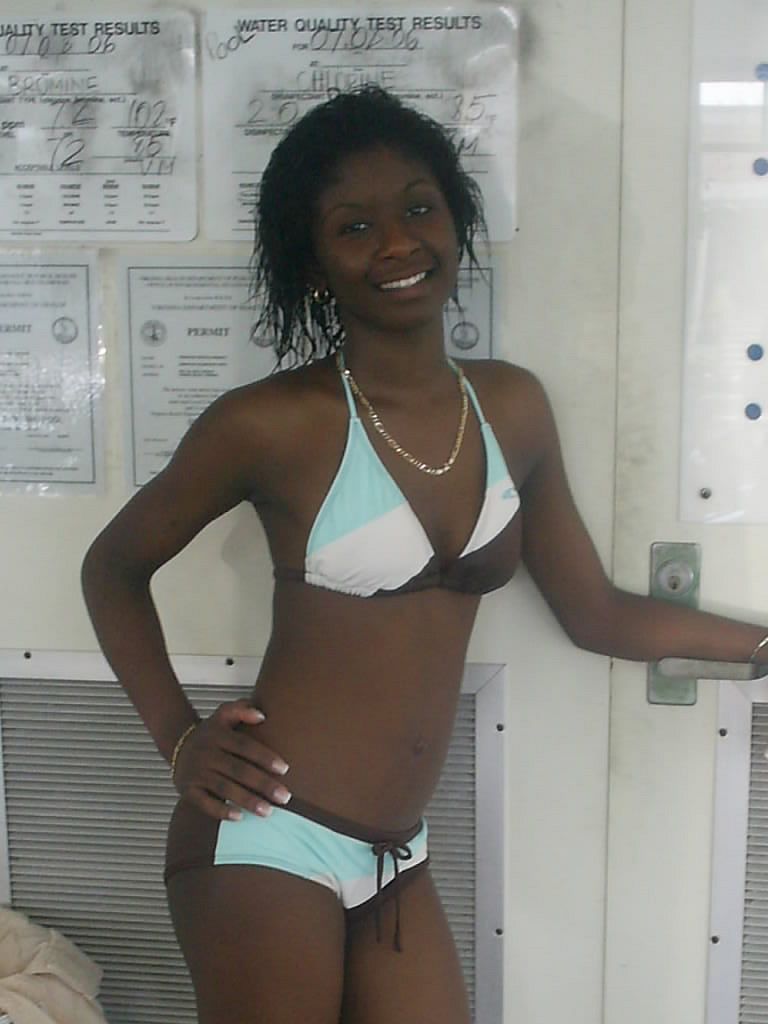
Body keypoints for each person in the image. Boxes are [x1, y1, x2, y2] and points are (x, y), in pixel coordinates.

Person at [81, 86, 768, 1024]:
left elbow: (596, 614)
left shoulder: (513, 407)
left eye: (418, 208)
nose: (399, 243)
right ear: (314, 262)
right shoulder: (271, 423)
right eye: (355, 226)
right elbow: (113, 568)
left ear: (456, 220)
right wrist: (178, 739)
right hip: (265, 836)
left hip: (395, 856)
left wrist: (760, 647)